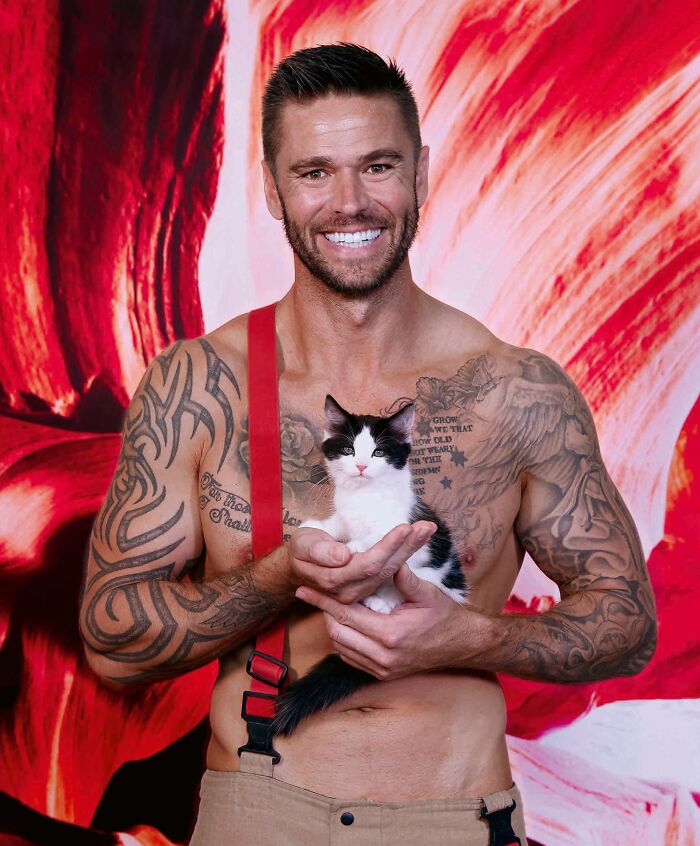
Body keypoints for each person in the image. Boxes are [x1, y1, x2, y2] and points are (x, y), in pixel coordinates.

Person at [79, 43, 657, 845]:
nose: (349, 202)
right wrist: (278, 576)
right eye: (314, 172)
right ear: (275, 191)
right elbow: (114, 645)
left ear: (419, 174)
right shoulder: (199, 386)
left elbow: (628, 624)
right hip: (261, 815)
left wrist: (474, 636)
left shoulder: (520, 392)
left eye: (377, 166)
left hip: (457, 818)